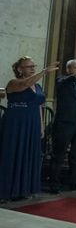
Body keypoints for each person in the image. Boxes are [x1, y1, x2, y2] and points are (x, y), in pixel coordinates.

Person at [0, 57, 58, 201]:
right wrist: (44, 71)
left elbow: (39, 105)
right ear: (20, 69)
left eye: (34, 66)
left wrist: (41, 125)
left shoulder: (37, 86)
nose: (32, 68)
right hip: (16, 122)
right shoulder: (13, 83)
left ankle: (24, 189)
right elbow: (25, 84)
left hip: (32, 122)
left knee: (29, 154)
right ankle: (5, 191)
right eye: (29, 66)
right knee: (12, 154)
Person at [49, 60, 76, 193]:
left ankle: (75, 182)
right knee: (59, 154)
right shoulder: (61, 81)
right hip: (64, 123)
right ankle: (54, 184)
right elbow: (63, 82)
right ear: (68, 69)